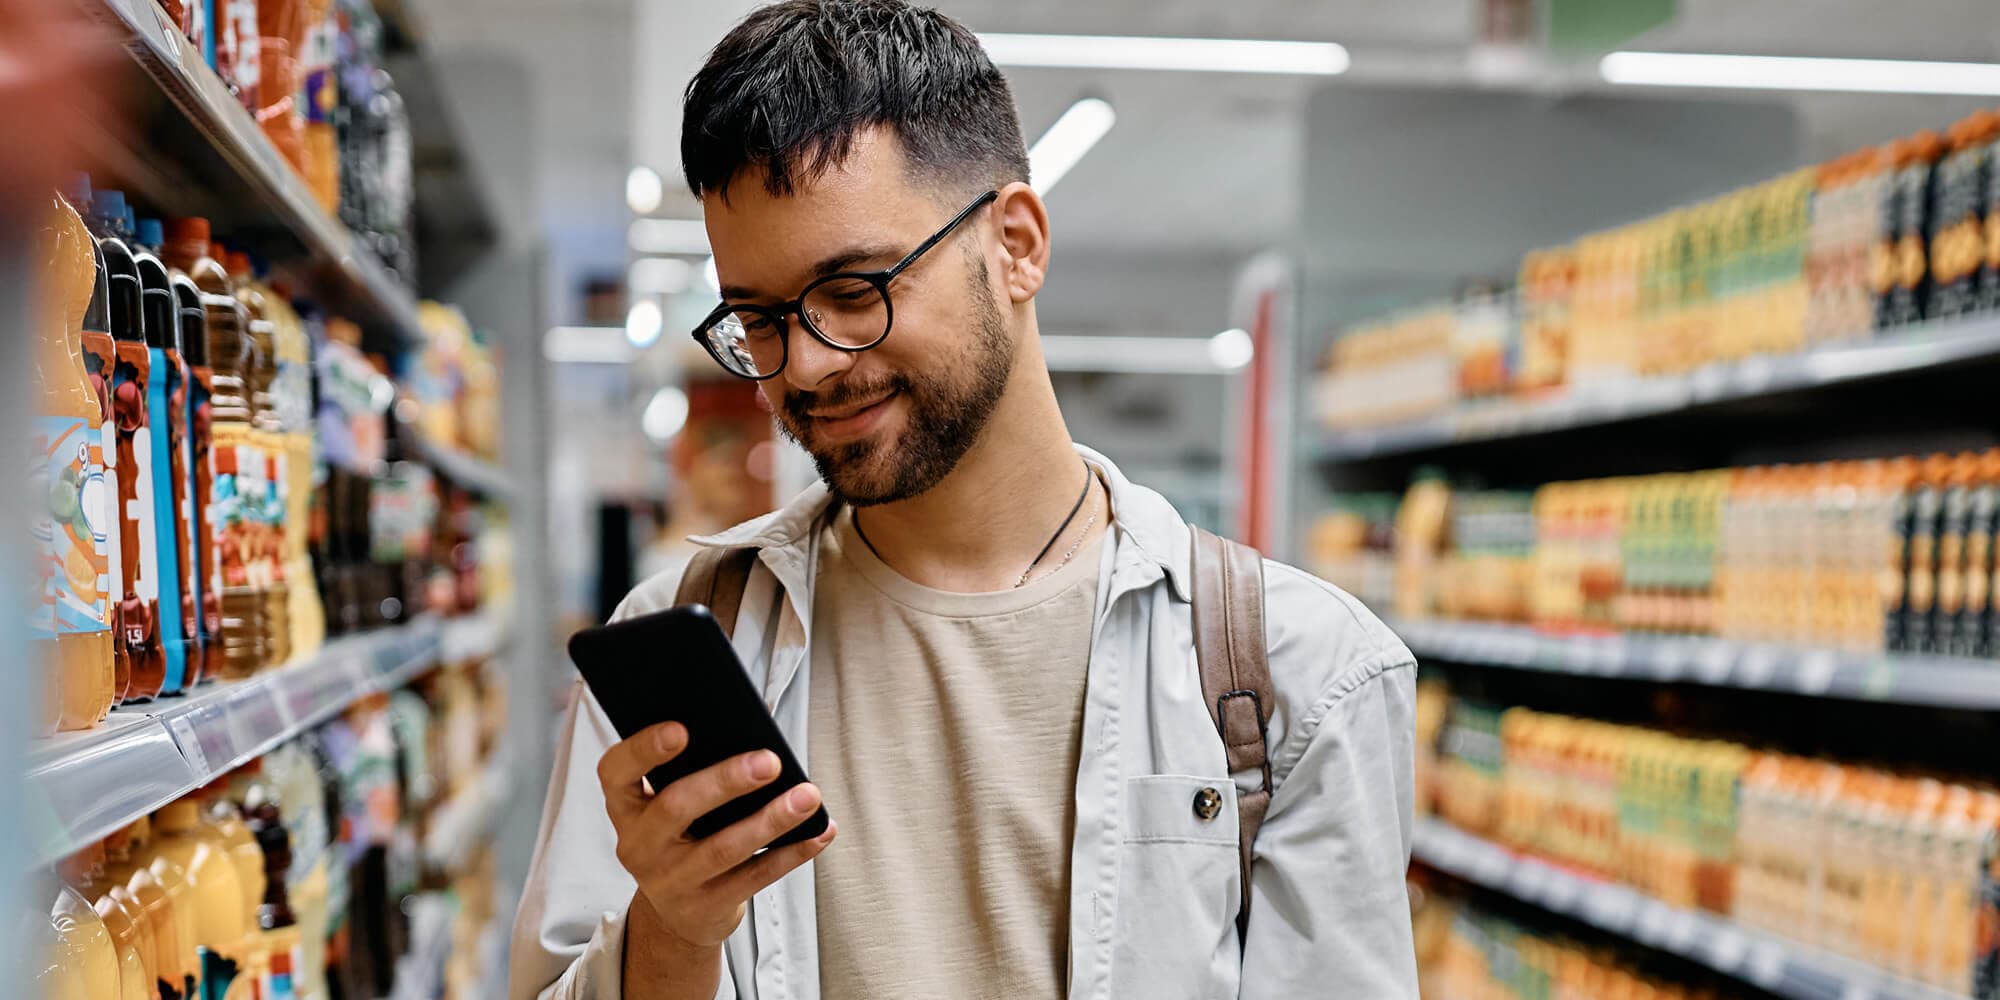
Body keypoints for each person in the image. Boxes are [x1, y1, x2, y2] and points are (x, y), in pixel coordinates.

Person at [509, 2, 1419, 997]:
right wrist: (673, 930)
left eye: (853, 290)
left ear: (1016, 244)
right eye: (759, 319)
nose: (805, 365)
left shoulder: (1298, 673)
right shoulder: (685, 641)